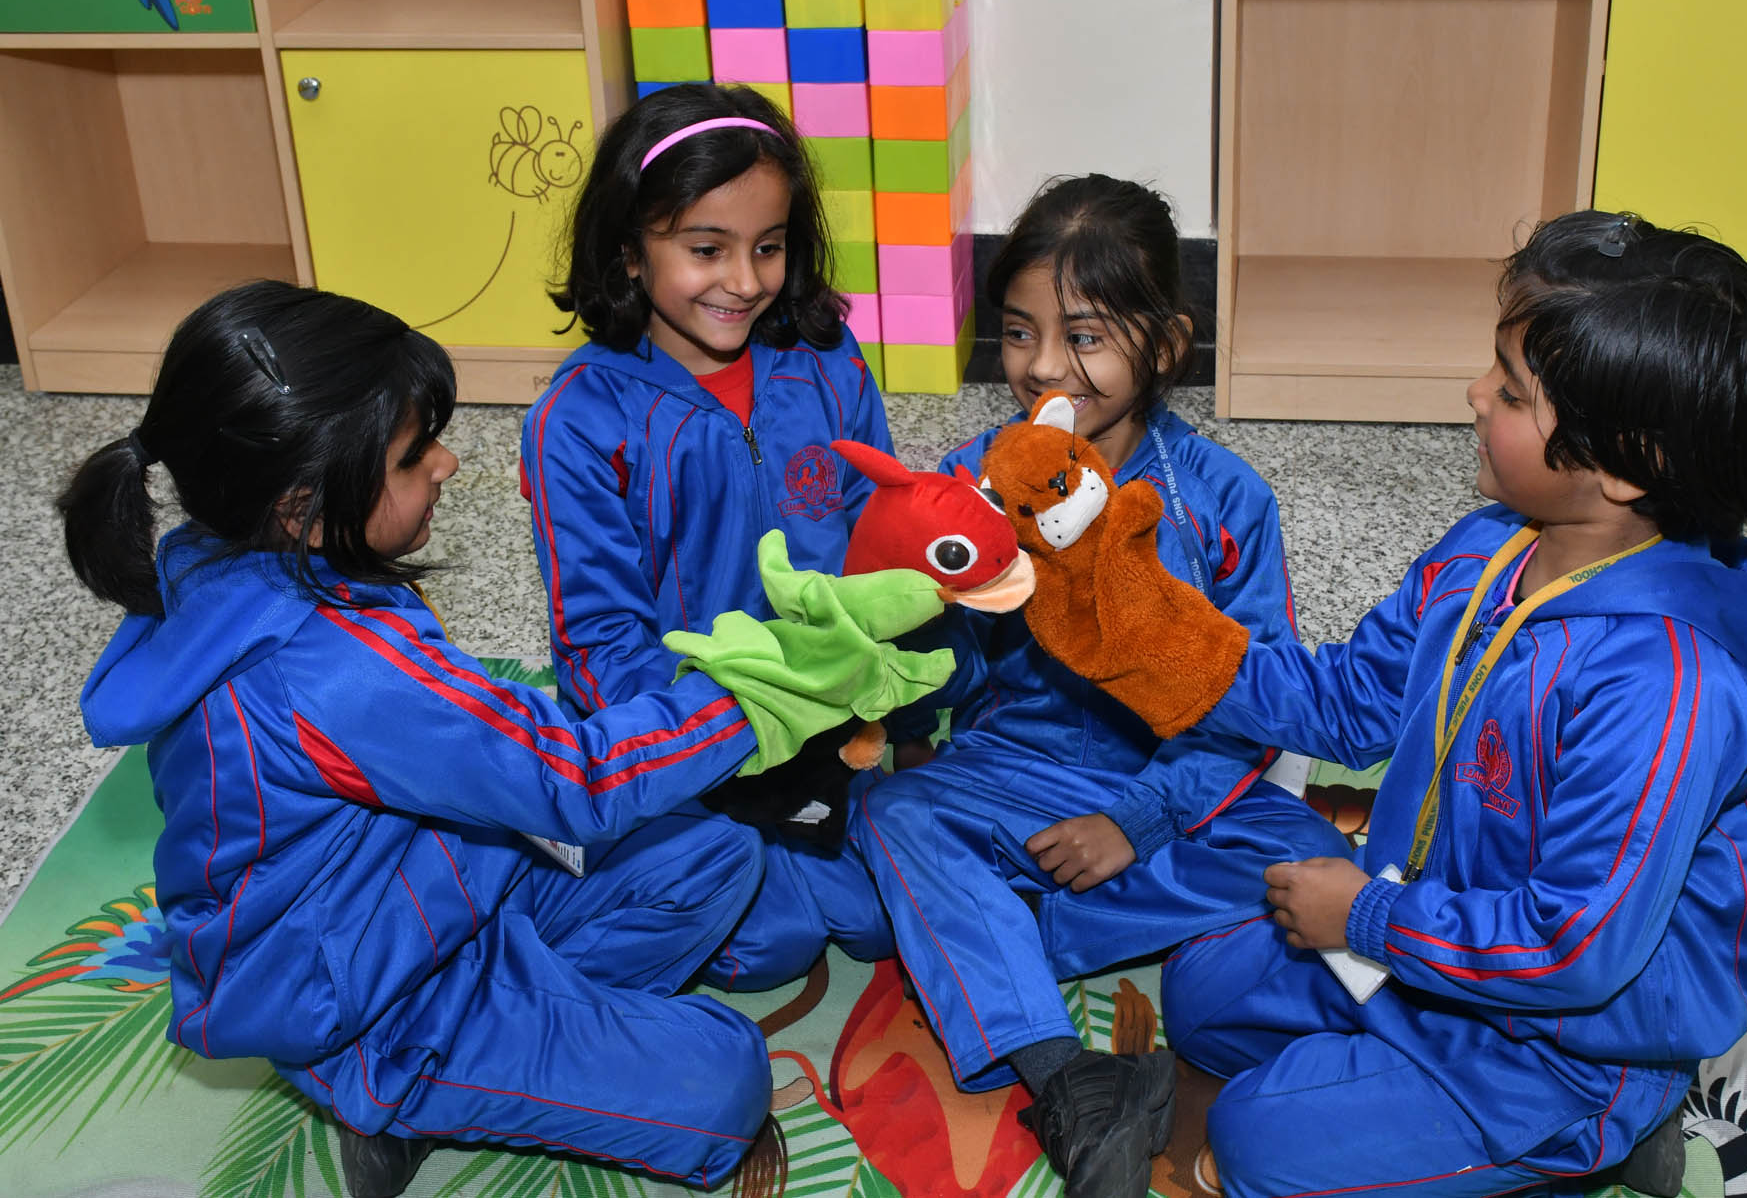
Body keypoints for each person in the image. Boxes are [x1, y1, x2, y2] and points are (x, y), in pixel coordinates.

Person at [60, 281, 943, 1198]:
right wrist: (761, 692)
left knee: (717, 857)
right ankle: (395, 1082)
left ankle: (523, 1029)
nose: (445, 463)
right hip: (358, 994)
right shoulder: (332, 671)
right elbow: (578, 776)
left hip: (424, 883)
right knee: (726, 1080)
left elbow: (494, 740)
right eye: (413, 456)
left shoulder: (233, 558)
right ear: (301, 506)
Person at [1161, 210, 1747, 1198]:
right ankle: (1393, 1084)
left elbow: (1575, 948)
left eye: (1510, 391)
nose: (1475, 394)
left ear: (1623, 464)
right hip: (1425, 940)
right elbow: (1351, 702)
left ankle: (1608, 1127)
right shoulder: (1489, 547)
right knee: (1197, 994)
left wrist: (1367, 916)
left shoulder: (1668, 687)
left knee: (1251, 1141)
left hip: (1564, 1043)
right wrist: (1170, 651)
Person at [851, 175, 1350, 1198]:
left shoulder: (1225, 500)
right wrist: (942, 615)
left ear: (1164, 345)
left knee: (1311, 857)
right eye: (1018, 331)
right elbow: (942, 671)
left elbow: (1249, 700)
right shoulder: (971, 479)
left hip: (1179, 785)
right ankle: (1066, 1075)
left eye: (1083, 336)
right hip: (1010, 770)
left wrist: (1136, 818)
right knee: (891, 811)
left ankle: (986, 933)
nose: (1042, 365)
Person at [522, 82, 896, 983]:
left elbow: (880, 532)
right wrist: (731, 729)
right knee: (773, 941)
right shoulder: (579, 420)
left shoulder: (827, 359)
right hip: (687, 736)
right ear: (628, 252)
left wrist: (875, 687)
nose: (745, 280)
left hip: (830, 722)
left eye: (768, 246)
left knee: (884, 916)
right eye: (705, 249)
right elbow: (599, 642)